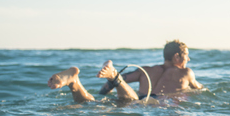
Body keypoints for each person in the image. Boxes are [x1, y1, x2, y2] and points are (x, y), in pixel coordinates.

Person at [48, 40, 202, 103]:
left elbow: (108, 88)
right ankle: (114, 75)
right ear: (177, 57)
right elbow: (199, 89)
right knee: (132, 101)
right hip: (152, 105)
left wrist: (104, 93)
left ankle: (74, 82)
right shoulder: (186, 73)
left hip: (135, 97)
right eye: (187, 55)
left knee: (91, 104)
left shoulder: (145, 71)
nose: (188, 59)